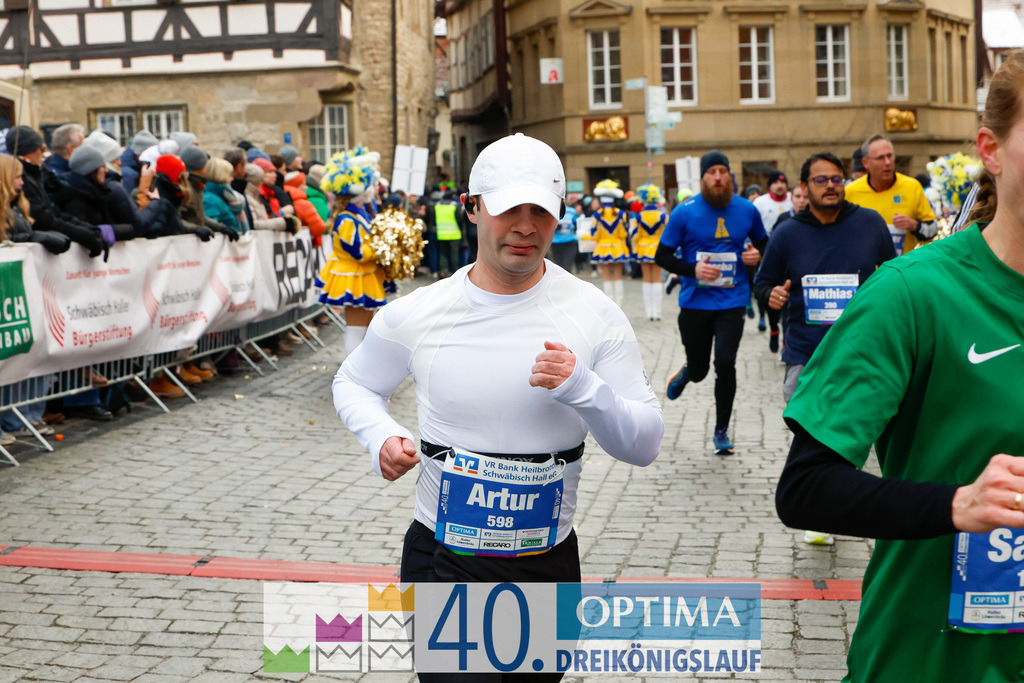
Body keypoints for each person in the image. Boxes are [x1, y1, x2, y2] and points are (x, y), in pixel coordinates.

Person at [332, 134, 663, 682]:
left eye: (542, 210)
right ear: (473, 208)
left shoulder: (594, 315)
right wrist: (380, 437)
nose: (526, 226)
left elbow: (645, 444)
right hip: (444, 558)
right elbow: (354, 382)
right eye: (510, 208)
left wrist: (585, 387)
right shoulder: (418, 312)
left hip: (546, 562)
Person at [775, 52, 1024, 681]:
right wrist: (959, 504)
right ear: (990, 150)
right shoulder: (912, 294)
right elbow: (806, 488)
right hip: (932, 659)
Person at [754, 152, 896, 544]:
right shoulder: (787, 233)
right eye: (821, 180)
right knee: (813, 432)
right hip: (806, 351)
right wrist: (773, 297)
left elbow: (897, 276)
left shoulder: (869, 224)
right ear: (804, 188)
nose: (831, 186)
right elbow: (763, 282)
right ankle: (820, 511)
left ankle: (867, 505)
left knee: (860, 433)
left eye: (837, 179)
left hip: (863, 350)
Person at [655, 150, 767, 455]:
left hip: (733, 301)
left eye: (722, 171)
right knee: (703, 368)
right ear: (702, 178)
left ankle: (721, 432)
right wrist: (693, 269)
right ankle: (688, 370)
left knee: (725, 363)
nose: (717, 177)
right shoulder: (685, 211)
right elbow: (661, 256)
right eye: (711, 172)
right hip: (694, 303)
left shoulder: (747, 210)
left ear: (730, 175)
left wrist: (756, 255)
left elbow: (765, 244)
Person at [316, 148, 387, 355]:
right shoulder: (347, 218)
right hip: (353, 276)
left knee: (366, 327)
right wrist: (380, 249)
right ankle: (352, 370)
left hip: (362, 274)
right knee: (356, 329)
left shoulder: (357, 215)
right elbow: (357, 252)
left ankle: (361, 367)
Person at [845, 134, 936, 256]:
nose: (887, 162)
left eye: (890, 156)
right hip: (866, 271)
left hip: (900, 269)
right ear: (865, 163)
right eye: (880, 158)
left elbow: (933, 229)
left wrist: (914, 225)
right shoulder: (850, 191)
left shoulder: (912, 186)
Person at [590, 179, 631, 306]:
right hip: (618, 248)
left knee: (607, 278)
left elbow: (594, 235)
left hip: (602, 248)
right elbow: (624, 234)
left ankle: (610, 305)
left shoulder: (596, 215)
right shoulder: (621, 214)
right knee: (618, 277)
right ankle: (620, 304)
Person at [630, 183, 668, 321]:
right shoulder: (663, 216)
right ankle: (657, 312)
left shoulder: (638, 217)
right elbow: (667, 234)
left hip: (643, 249)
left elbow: (634, 235)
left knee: (646, 279)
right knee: (657, 279)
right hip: (658, 249)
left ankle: (648, 313)